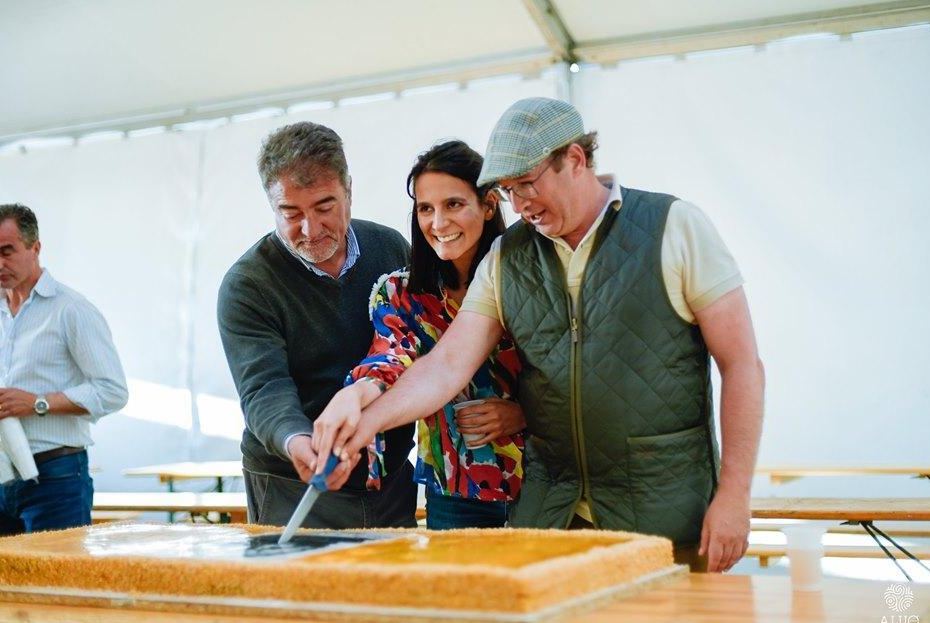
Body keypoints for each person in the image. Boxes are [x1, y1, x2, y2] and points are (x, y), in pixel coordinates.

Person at [313, 98, 765, 573]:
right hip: (553, 518)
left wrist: (735, 494)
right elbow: (446, 365)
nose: (520, 204)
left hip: (666, 513)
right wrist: (367, 423)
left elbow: (741, 365)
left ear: (575, 159)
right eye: (509, 191)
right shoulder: (506, 257)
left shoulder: (675, 226)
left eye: (527, 183)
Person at [313, 141, 525, 530]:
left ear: (489, 205)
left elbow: (567, 374)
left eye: (453, 204)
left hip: (541, 481)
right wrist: (355, 395)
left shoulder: (527, 278)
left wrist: (524, 414)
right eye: (426, 208)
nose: (438, 223)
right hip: (455, 491)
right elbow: (389, 356)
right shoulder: (400, 293)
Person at [217, 121, 414, 529]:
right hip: (292, 481)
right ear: (272, 205)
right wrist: (296, 441)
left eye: (325, 207)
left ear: (349, 191)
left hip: (389, 478)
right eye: (291, 213)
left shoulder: (391, 248)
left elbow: (416, 347)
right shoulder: (248, 284)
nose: (310, 229)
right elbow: (263, 388)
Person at [0, 203, 128, 623]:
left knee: (62, 617)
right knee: (8, 616)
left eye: (6, 251)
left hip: (57, 478)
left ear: (35, 247)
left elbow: (113, 391)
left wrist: (37, 403)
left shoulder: (71, 310)